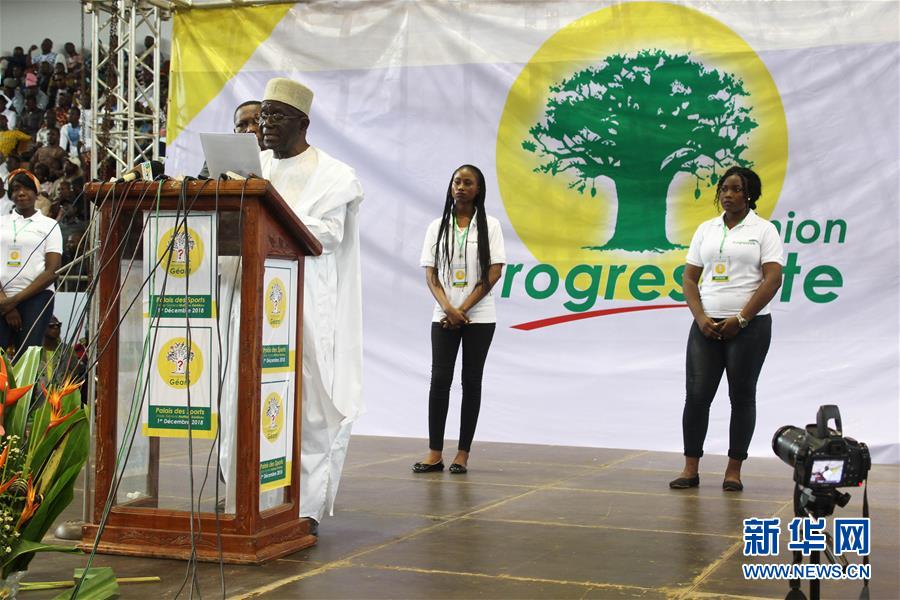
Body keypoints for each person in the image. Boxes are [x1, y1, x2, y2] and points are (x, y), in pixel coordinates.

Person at [258, 77, 363, 531]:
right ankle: (251, 500)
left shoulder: (333, 175)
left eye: (276, 116)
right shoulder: (252, 170)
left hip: (304, 302)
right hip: (252, 301)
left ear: (302, 123)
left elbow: (328, 235)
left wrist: (270, 216)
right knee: (251, 400)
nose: (265, 123)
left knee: (310, 407)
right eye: (263, 115)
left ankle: (305, 506)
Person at [669, 166, 784, 492]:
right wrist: (700, 317)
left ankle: (733, 471)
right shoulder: (706, 229)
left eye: (736, 189)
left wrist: (742, 319)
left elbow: (773, 279)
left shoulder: (764, 231)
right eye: (724, 189)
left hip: (749, 327)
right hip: (706, 326)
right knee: (697, 396)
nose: (728, 195)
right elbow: (689, 278)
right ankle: (690, 468)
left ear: (750, 195)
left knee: (742, 397)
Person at [413, 165, 506, 474]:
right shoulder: (436, 227)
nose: (461, 187)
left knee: (471, 381)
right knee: (439, 380)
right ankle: (434, 453)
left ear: (478, 190)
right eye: (457, 181)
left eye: (468, 183)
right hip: (444, 316)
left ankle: (462, 453)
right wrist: (448, 309)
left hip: (479, 316)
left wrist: (462, 309)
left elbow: (494, 271)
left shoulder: (490, 225)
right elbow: (431, 274)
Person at [0, 170, 63, 354]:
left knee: (27, 356)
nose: (21, 193)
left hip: (37, 297)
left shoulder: (49, 225)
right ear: (10, 194)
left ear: (36, 193)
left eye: (27, 188)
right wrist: (5, 302)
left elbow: (52, 271)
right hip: (1, 297)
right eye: (16, 189)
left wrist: (14, 301)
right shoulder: (1, 222)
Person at [197, 100, 262, 178]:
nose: (250, 129)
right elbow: (198, 183)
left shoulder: (275, 156)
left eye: (257, 122)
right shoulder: (219, 156)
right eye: (241, 125)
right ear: (235, 131)